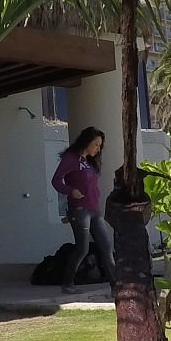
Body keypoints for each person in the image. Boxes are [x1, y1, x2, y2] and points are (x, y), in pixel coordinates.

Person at [51, 126, 114, 295]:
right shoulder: (71, 159)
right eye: (95, 145)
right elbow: (56, 181)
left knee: (106, 247)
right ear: (86, 142)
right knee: (82, 248)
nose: (98, 149)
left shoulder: (89, 161)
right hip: (79, 210)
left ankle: (117, 287)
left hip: (94, 209)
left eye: (100, 145)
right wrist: (71, 191)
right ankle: (68, 283)